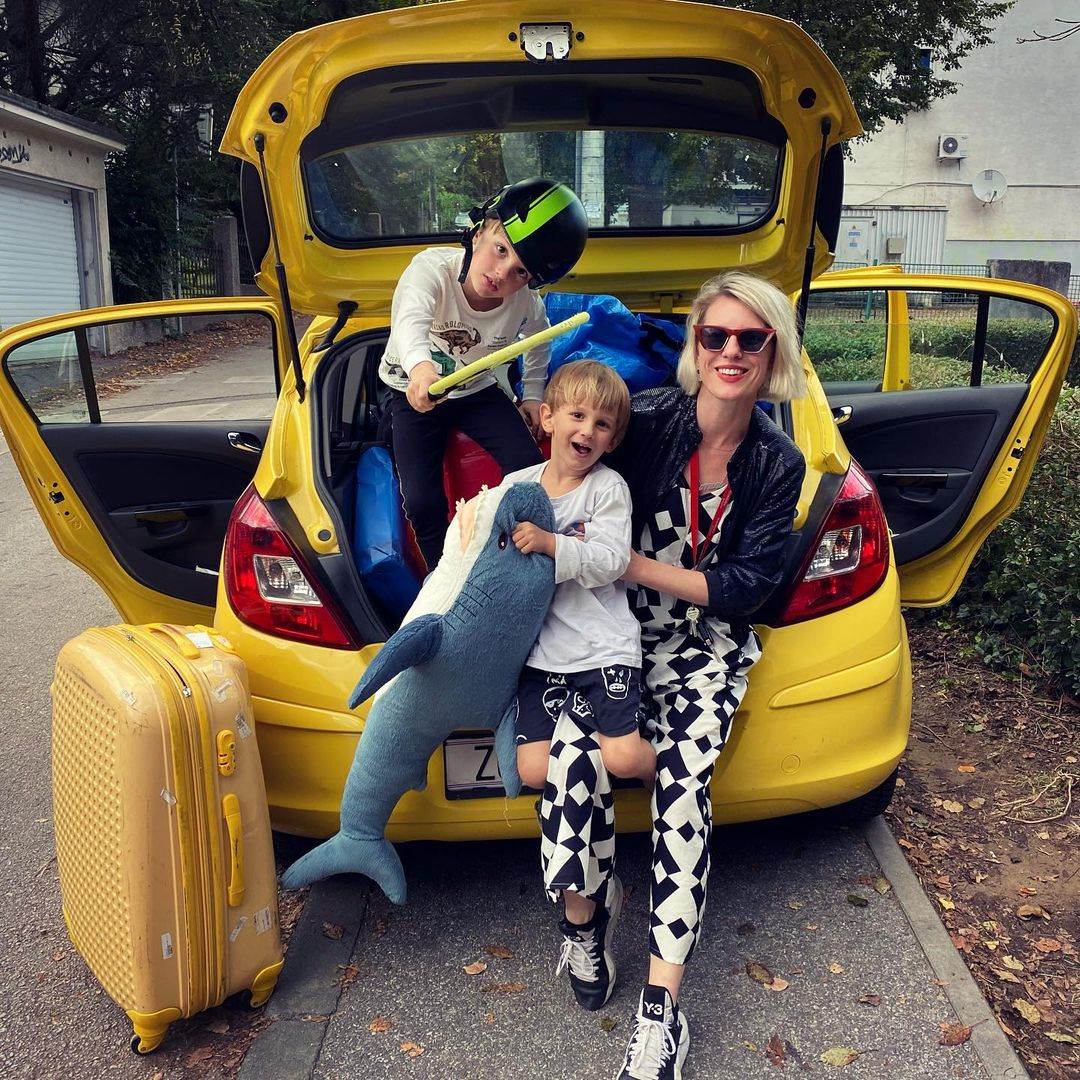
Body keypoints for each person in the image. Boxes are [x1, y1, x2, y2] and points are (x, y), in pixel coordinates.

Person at [537, 271, 808, 1080]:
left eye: (751, 338)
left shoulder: (779, 460)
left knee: (684, 793)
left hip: (705, 646)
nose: (731, 351)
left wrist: (633, 565)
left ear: (774, 351)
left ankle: (661, 1015)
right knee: (568, 767)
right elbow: (565, 471)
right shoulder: (649, 419)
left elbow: (744, 589)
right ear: (695, 343)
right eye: (715, 335)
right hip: (612, 636)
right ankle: (586, 920)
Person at [504, 360, 656, 1013]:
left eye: (602, 422)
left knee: (620, 759)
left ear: (613, 438)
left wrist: (548, 544)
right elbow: (481, 540)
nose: (587, 430)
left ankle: (583, 918)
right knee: (536, 769)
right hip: (544, 657)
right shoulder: (516, 486)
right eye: (576, 414)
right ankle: (596, 897)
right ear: (546, 417)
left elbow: (611, 560)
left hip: (603, 651)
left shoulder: (606, 490)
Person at [378, 177, 589, 569]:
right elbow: (409, 322)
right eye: (501, 249)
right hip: (412, 390)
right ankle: (442, 574)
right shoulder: (430, 270)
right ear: (478, 233)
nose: (502, 273)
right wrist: (421, 370)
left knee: (528, 467)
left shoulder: (526, 304)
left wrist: (532, 395)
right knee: (421, 502)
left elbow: (539, 341)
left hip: (476, 388)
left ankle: (516, 557)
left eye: (521, 272)